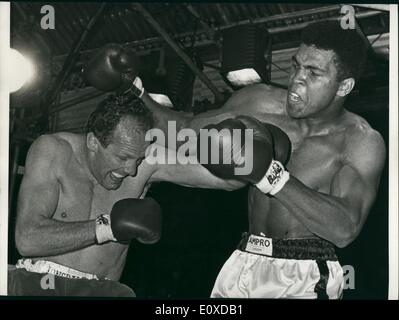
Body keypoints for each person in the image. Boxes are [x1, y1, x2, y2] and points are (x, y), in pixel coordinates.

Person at [103, 20, 386, 299]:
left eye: (313, 73)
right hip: (245, 257)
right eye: (296, 65)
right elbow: (185, 131)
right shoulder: (258, 102)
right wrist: (133, 89)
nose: (297, 79)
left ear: (343, 86)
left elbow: (345, 228)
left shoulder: (359, 141)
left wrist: (269, 176)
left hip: (305, 274)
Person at [8, 94, 244, 297]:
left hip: (105, 290)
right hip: (41, 282)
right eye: (122, 158)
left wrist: (246, 151)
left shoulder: (148, 159)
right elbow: (27, 240)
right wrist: (108, 228)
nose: (131, 170)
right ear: (93, 142)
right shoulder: (53, 150)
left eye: (138, 159)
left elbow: (228, 180)